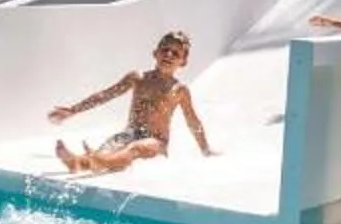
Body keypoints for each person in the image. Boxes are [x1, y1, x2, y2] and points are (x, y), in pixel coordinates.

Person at [47, 31, 215, 175]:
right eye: (165, 50)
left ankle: (98, 161)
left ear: (183, 62)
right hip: (130, 134)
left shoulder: (179, 90)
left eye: (175, 53)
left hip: (156, 143)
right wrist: (73, 110)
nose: (169, 55)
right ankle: (77, 162)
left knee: (133, 148)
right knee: (109, 148)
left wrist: (205, 149)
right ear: (155, 53)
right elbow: (106, 95)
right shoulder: (138, 78)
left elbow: (193, 121)